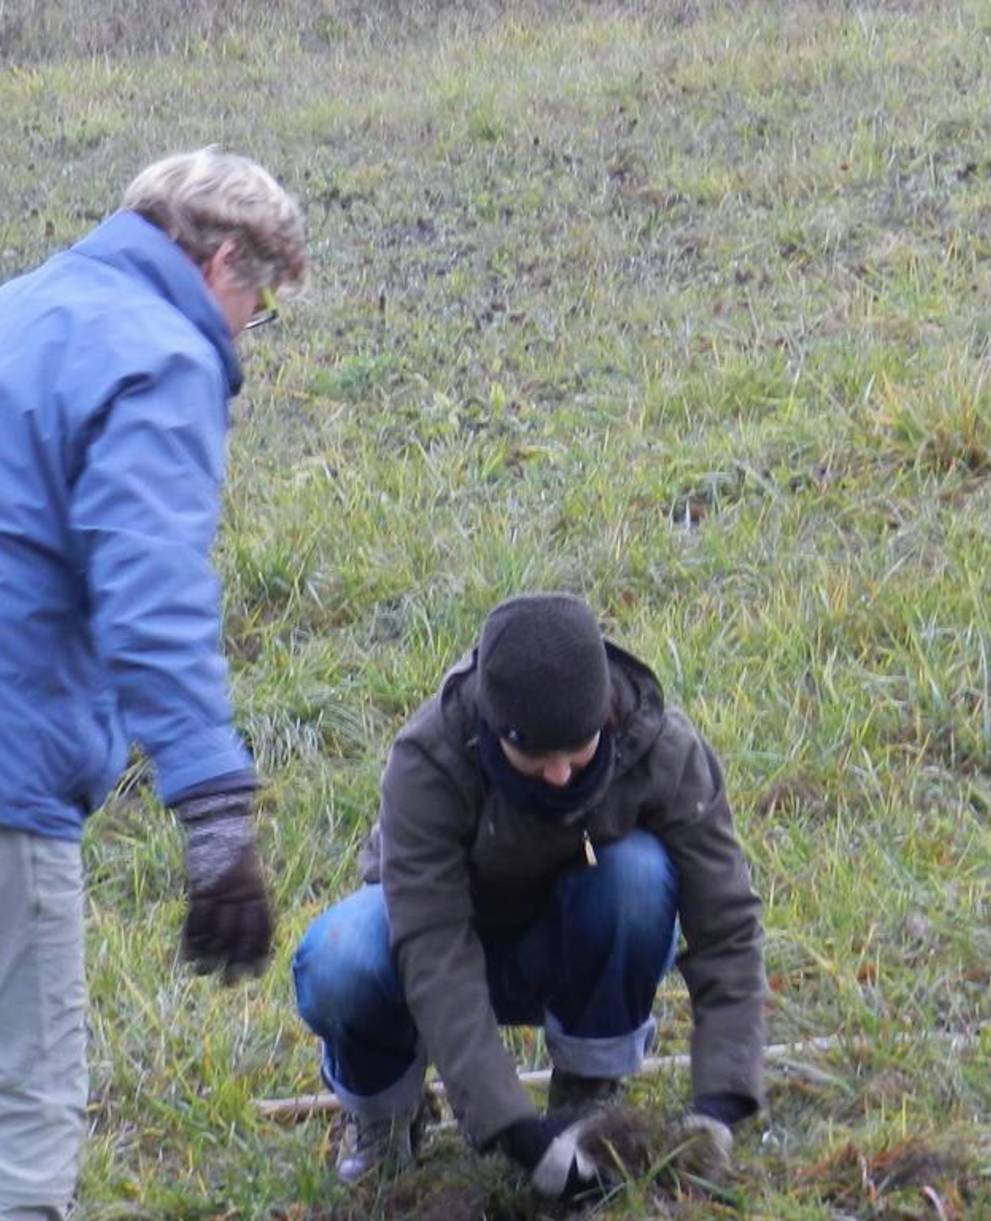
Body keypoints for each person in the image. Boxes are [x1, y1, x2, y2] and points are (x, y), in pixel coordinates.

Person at [0, 148, 307, 1219]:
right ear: (222, 262)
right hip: (7, 774)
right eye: (255, 305)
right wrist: (216, 814)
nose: (243, 334)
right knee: (25, 1107)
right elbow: (154, 595)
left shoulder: (21, 311)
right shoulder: (156, 354)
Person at [293, 592, 766, 1200]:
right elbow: (433, 948)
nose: (563, 773)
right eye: (537, 755)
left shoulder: (661, 748)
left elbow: (726, 922)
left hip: (570, 941)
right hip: (441, 957)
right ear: (493, 727)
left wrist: (720, 1103)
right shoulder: (427, 761)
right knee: (342, 957)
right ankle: (385, 1118)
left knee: (639, 876)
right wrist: (514, 1131)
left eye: (579, 748)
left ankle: (591, 1094)